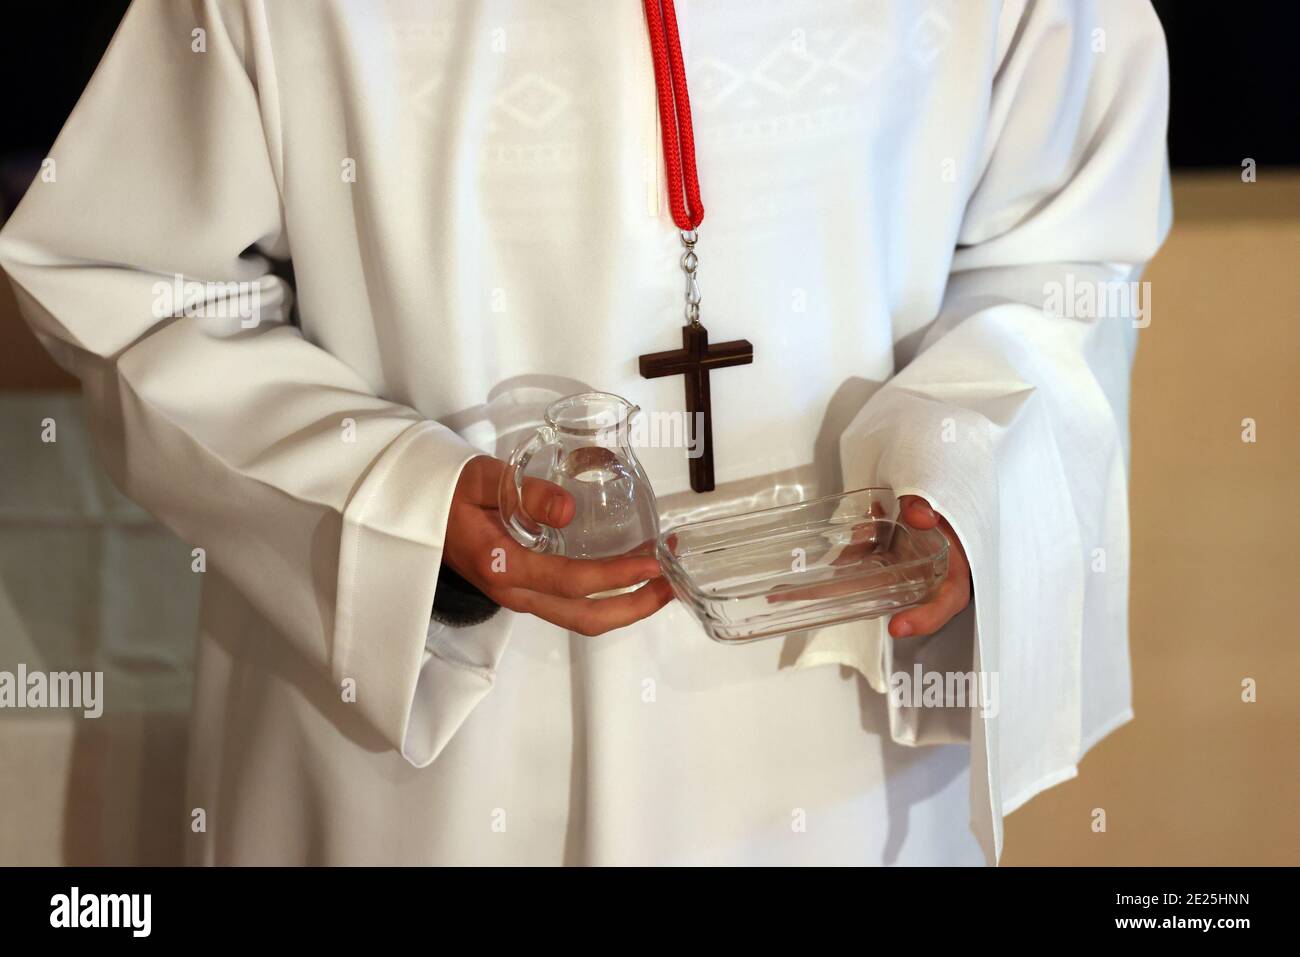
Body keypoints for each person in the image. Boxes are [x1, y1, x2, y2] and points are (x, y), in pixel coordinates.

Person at [0, 0, 1171, 864]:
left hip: (833, 751)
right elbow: (125, 281)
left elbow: (1059, 253)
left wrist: (970, 467)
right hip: (423, 778)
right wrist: (393, 498)